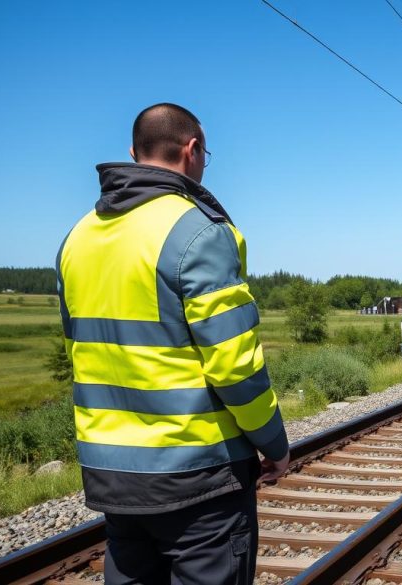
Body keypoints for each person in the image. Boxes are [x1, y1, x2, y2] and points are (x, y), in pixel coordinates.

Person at [56, 103, 289, 584]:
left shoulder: (78, 237)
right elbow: (234, 364)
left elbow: (80, 346)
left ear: (133, 153)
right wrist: (272, 442)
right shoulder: (198, 231)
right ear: (193, 150)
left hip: (109, 471)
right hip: (196, 473)